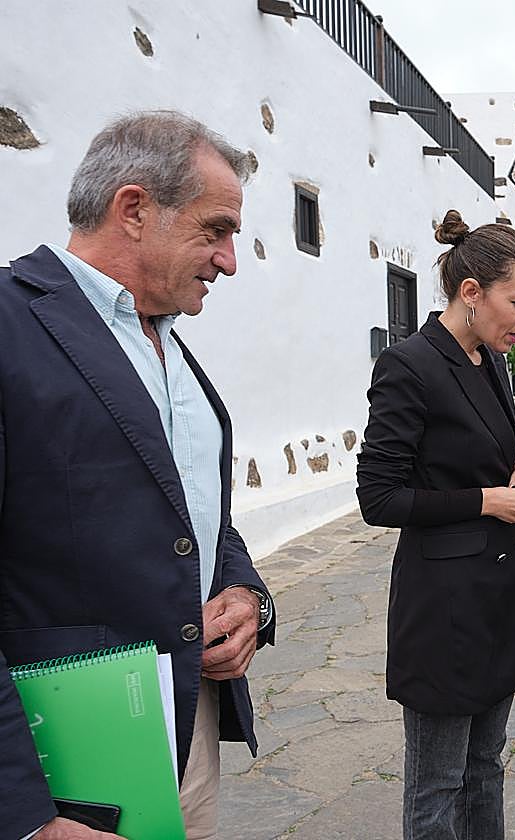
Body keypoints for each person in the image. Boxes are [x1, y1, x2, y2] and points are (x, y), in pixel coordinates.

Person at [0, 111, 275, 840]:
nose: (229, 261)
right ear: (133, 209)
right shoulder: (9, 325)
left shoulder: (170, 342)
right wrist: (24, 814)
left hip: (186, 732)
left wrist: (247, 595)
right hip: (60, 773)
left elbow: (196, 513)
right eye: (216, 230)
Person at [357, 210, 515, 839]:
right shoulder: (408, 365)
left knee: (486, 767)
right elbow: (379, 498)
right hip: (442, 609)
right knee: (437, 783)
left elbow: (472, 457)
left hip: (496, 597)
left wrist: (514, 475)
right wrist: (488, 501)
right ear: (472, 292)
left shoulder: (490, 359)